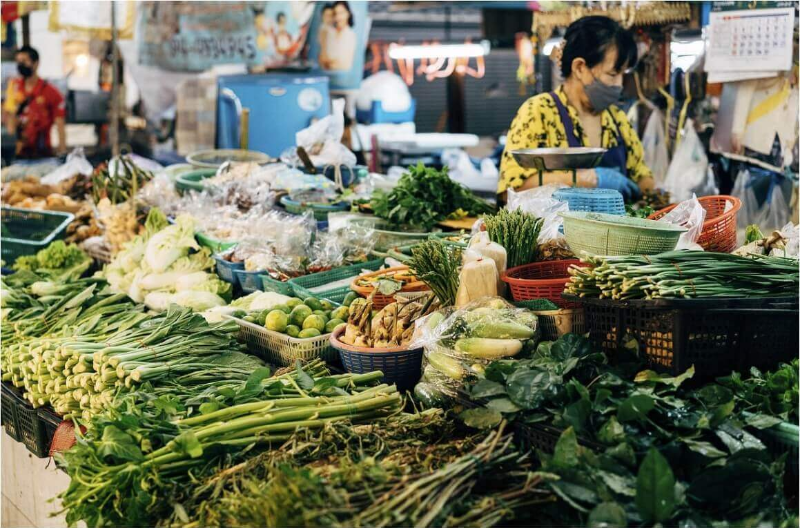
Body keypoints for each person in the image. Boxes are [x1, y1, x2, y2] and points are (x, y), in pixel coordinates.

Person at [499, 16, 655, 200]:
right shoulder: (538, 112)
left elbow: (642, 177)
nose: (619, 84)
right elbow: (510, 190)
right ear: (580, 67)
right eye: (612, 74)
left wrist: (650, 192)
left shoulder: (617, 120)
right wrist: (588, 180)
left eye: (623, 74)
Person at [3, 45, 67, 159]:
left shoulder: (51, 92)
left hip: (43, 153)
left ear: (36, 63)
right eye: (18, 61)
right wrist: (13, 108)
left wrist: (62, 152)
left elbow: (60, 126)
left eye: (24, 61)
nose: (20, 65)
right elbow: (10, 129)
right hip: (19, 154)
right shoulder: (14, 88)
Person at [320, 1, 356, 72]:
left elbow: (345, 65)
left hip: (343, 77)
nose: (338, 17)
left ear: (348, 13)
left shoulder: (350, 35)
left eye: (341, 13)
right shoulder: (330, 32)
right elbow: (322, 59)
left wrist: (329, 62)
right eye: (335, 14)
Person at [318, 4, 335, 69]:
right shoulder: (324, 29)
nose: (329, 18)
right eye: (326, 16)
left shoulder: (332, 29)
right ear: (322, 16)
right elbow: (323, 49)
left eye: (331, 16)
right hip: (327, 64)